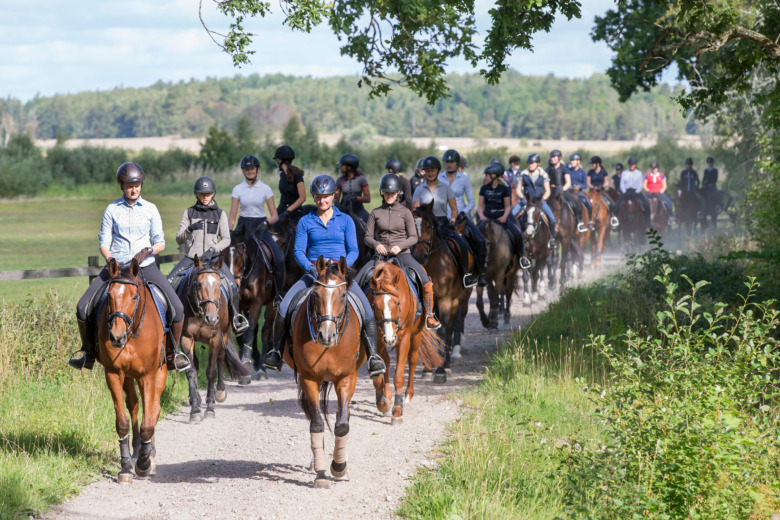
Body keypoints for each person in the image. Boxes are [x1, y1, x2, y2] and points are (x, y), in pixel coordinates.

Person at [70, 162, 189, 372]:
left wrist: (148, 251)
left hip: (145, 267)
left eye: (136, 185)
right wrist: (110, 259)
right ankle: (88, 353)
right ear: (121, 186)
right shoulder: (112, 209)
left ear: (141, 185)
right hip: (116, 268)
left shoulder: (151, 209)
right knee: (83, 306)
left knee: (178, 308)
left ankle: (172, 354)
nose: (133, 189)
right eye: (129, 186)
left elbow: (160, 242)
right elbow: (104, 243)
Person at [263, 175, 386, 377]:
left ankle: (373, 356)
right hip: (315, 272)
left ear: (334, 195)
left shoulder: (345, 220)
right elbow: (298, 251)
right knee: (284, 307)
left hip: (339, 274)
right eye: (318, 197)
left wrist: (342, 267)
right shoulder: (305, 221)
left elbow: (354, 250)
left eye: (326, 196)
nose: (322, 201)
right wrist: (311, 268)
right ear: (314, 197)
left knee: (367, 310)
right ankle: (276, 352)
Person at [357, 173, 441, 329]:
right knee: (356, 281)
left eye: (392, 193)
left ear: (398, 193)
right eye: (386, 192)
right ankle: (356, 318)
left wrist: (400, 246)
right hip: (380, 256)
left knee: (425, 280)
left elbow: (413, 237)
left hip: (402, 255)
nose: (389, 195)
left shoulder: (406, 212)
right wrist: (376, 244)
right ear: (382, 193)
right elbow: (367, 237)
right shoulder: (375, 213)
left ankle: (429, 315)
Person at [167, 176, 249, 334]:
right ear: (196, 194)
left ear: (213, 194)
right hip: (192, 259)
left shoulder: (220, 214)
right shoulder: (189, 212)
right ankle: (168, 321)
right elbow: (179, 238)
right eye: (202, 194)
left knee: (233, 286)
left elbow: (226, 239)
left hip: (213, 260)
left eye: (208, 193)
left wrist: (213, 250)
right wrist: (190, 229)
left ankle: (236, 318)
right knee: (170, 282)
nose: (205, 197)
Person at [412, 155, 477, 288]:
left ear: (437, 171)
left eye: (432, 170)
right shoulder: (419, 190)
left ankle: (465, 275)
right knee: (412, 248)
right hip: (425, 225)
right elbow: (416, 210)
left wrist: (452, 220)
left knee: (461, 244)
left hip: (442, 223)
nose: (430, 173)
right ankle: (410, 277)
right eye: (427, 170)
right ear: (423, 172)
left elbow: (454, 209)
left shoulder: (446, 188)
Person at [229, 154, 285, 305]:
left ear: (257, 169)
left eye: (252, 168)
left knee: (279, 258)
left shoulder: (266, 189)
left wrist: (266, 223)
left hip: (261, 228)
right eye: (247, 169)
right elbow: (232, 217)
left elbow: (275, 216)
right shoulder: (237, 189)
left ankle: (278, 295)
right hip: (243, 228)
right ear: (243, 171)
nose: (249, 171)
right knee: (228, 256)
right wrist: (229, 231)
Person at [439, 149, 488, 287]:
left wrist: (464, 212)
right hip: (443, 219)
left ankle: (480, 274)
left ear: (457, 163)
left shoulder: (464, 179)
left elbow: (471, 201)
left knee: (480, 241)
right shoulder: (438, 178)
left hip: (460, 218)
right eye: (446, 161)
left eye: (451, 162)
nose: (448, 164)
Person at [478, 163, 525, 260]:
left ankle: (521, 258)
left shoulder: (504, 189)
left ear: (494, 176)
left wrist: (504, 217)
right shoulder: (484, 189)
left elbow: (507, 207)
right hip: (487, 219)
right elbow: (480, 206)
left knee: (517, 234)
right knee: (474, 234)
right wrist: (482, 216)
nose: (486, 177)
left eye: (487, 175)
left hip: (501, 219)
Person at [513, 153, 557, 249]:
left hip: (539, 202)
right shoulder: (523, 174)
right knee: (512, 215)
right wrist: (523, 198)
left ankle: (552, 239)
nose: (530, 165)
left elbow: (548, 191)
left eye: (532, 163)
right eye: (529, 163)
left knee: (552, 218)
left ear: (538, 164)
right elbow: (518, 189)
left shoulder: (543, 175)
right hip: (526, 202)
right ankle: (511, 238)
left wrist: (542, 200)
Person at [274, 145, 306, 223]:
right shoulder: (282, 175)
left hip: (294, 211)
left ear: (279, 160)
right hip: (282, 210)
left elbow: (302, 197)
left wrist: (288, 211)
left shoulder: (297, 175)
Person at [335, 153, 370, 223]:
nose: (340, 167)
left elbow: (368, 199)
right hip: (343, 210)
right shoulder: (339, 180)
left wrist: (356, 198)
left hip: (359, 210)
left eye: (342, 165)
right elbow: (336, 200)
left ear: (349, 167)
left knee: (372, 223)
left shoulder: (362, 179)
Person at [587, 155, 619, 227]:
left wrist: (601, 186)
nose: (592, 165)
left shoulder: (603, 172)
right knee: (586, 202)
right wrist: (593, 187)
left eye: (593, 164)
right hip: (592, 191)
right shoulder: (590, 172)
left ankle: (613, 217)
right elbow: (588, 183)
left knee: (611, 202)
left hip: (601, 191)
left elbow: (606, 182)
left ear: (598, 164)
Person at [564, 152, 593, 231]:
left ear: (578, 161)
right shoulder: (568, 171)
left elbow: (585, 185)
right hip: (570, 192)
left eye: (573, 160)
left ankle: (589, 221)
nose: (572, 162)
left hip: (579, 192)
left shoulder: (582, 172)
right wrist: (570, 186)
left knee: (589, 204)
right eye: (571, 160)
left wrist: (579, 186)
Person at [617, 156, 651, 223]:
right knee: (617, 205)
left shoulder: (639, 173)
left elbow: (640, 184)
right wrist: (624, 192)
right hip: (626, 192)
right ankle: (617, 221)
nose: (631, 166)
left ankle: (647, 221)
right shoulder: (624, 173)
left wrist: (636, 192)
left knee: (646, 204)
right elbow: (622, 184)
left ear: (635, 165)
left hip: (636, 192)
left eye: (632, 165)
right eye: (630, 165)